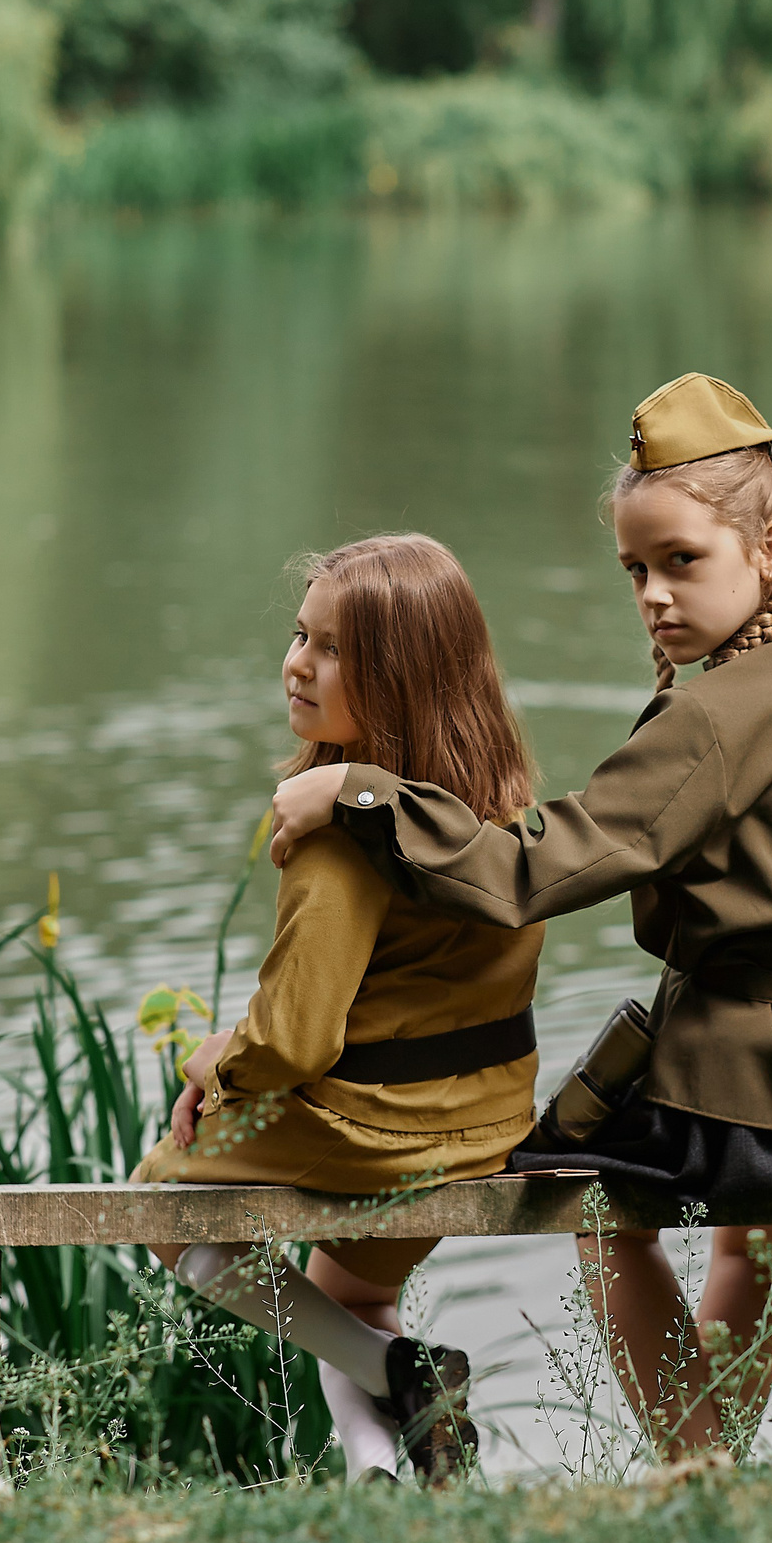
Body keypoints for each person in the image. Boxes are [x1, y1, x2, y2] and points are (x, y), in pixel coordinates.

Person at [267, 374, 772, 1459]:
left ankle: (696, 1463)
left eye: (680, 561)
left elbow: (526, 873)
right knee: (753, 1239)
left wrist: (360, 792)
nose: (653, 594)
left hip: (764, 1094)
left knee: (592, 1211)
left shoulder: (711, 720)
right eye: (636, 569)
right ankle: (714, 1465)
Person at [131, 533, 543, 1483]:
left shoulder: (338, 838)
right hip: (488, 1124)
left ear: (402, 677)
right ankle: (379, 1474)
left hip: (378, 1129)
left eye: (332, 650)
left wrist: (218, 1067)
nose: (297, 664)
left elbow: (294, 1042)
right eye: (299, 635)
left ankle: (397, 1367)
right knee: (346, 1284)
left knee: (161, 1206)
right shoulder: (503, 813)